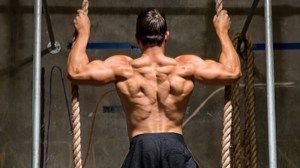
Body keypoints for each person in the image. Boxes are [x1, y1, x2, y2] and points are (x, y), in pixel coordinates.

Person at [68, 8, 240, 168]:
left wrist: (84, 32)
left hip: (141, 148)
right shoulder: (184, 67)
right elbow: (233, 72)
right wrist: (222, 31)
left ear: (137, 38)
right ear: (166, 36)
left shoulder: (124, 68)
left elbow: (75, 72)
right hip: (175, 147)